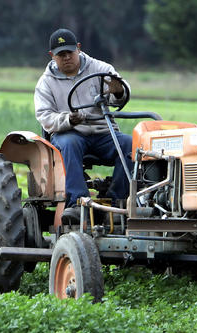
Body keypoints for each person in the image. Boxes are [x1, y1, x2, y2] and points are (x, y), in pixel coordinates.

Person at [34, 28, 132, 224]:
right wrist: (68, 120)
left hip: (103, 133)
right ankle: (78, 203)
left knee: (131, 144)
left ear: (78, 49)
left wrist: (118, 90)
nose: (67, 58)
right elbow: (45, 117)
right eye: (61, 54)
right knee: (69, 144)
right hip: (70, 133)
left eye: (70, 52)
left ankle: (118, 201)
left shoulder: (101, 69)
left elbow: (119, 95)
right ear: (52, 56)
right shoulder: (46, 83)